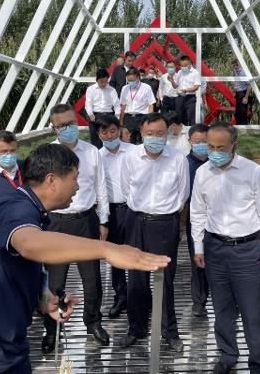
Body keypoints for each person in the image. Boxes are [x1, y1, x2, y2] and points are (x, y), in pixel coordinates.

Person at [0, 143, 170, 373]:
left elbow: (17, 263)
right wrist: (108, 249)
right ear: (52, 180)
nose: (77, 186)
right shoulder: (14, 209)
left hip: (4, 343)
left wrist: (44, 298)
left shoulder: (28, 208)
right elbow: (30, 245)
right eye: (74, 178)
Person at [191, 122, 260, 374]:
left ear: (234, 146)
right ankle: (228, 355)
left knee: (252, 312)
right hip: (215, 248)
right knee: (222, 309)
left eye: (221, 148)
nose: (215, 152)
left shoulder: (252, 171)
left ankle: (259, 364)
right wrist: (198, 247)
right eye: (211, 147)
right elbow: (198, 211)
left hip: (246, 250)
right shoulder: (203, 173)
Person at [42, 104, 110, 351]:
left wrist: (103, 220)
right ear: (54, 128)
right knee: (55, 280)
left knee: (92, 279)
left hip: (86, 220)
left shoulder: (92, 152)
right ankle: (52, 328)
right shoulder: (47, 155)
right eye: (61, 125)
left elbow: (101, 187)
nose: (68, 128)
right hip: (56, 222)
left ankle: (93, 322)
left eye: (71, 123)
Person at [119, 113, 189, 352]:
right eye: (150, 134)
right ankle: (136, 329)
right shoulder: (130, 157)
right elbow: (126, 188)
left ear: (168, 133)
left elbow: (183, 193)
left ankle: (170, 332)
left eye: (160, 133)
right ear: (142, 133)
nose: (155, 138)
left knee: (165, 279)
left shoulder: (178, 158)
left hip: (165, 223)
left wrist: (166, 214)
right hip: (136, 221)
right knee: (136, 278)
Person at [97, 115, 134, 318]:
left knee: (136, 249)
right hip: (110, 210)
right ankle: (120, 295)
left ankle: (140, 294)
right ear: (98, 134)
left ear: (119, 130)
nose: (109, 136)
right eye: (104, 132)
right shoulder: (97, 156)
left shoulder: (134, 151)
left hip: (133, 209)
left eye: (113, 131)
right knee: (115, 254)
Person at [185, 123, 210, 317]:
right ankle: (199, 301)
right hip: (195, 219)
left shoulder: (217, 162)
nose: (201, 145)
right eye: (197, 142)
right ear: (189, 142)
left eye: (204, 141)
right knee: (198, 259)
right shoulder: (184, 164)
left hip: (220, 218)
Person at [85, 68, 120, 149]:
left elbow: (117, 104)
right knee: (95, 139)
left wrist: (117, 115)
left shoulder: (112, 90)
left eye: (105, 81)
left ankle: (109, 153)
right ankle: (96, 153)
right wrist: (90, 114)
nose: (104, 84)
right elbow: (88, 103)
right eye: (101, 81)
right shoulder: (91, 89)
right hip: (95, 116)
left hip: (109, 116)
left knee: (109, 137)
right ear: (97, 80)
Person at [119, 67, 155, 144]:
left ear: (138, 77)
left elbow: (151, 105)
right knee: (129, 142)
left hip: (142, 117)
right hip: (128, 118)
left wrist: (149, 121)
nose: (130, 82)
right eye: (129, 80)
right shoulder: (125, 88)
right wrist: (121, 121)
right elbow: (123, 106)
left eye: (132, 80)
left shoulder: (146, 88)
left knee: (143, 142)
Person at [169, 55, 201, 126]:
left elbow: (196, 86)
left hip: (190, 98)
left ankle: (191, 131)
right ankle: (181, 132)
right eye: (182, 65)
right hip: (180, 97)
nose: (183, 67)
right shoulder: (180, 72)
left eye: (185, 65)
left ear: (190, 63)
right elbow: (175, 86)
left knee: (191, 116)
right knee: (179, 116)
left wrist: (186, 90)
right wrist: (172, 81)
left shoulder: (195, 72)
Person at [232, 59, 252, 125]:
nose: (235, 66)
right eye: (234, 65)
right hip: (238, 93)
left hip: (243, 93)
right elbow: (235, 82)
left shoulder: (244, 72)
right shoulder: (235, 72)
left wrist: (246, 97)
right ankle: (239, 127)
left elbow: (249, 85)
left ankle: (244, 127)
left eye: (236, 65)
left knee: (243, 113)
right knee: (237, 114)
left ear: (240, 64)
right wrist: (234, 91)